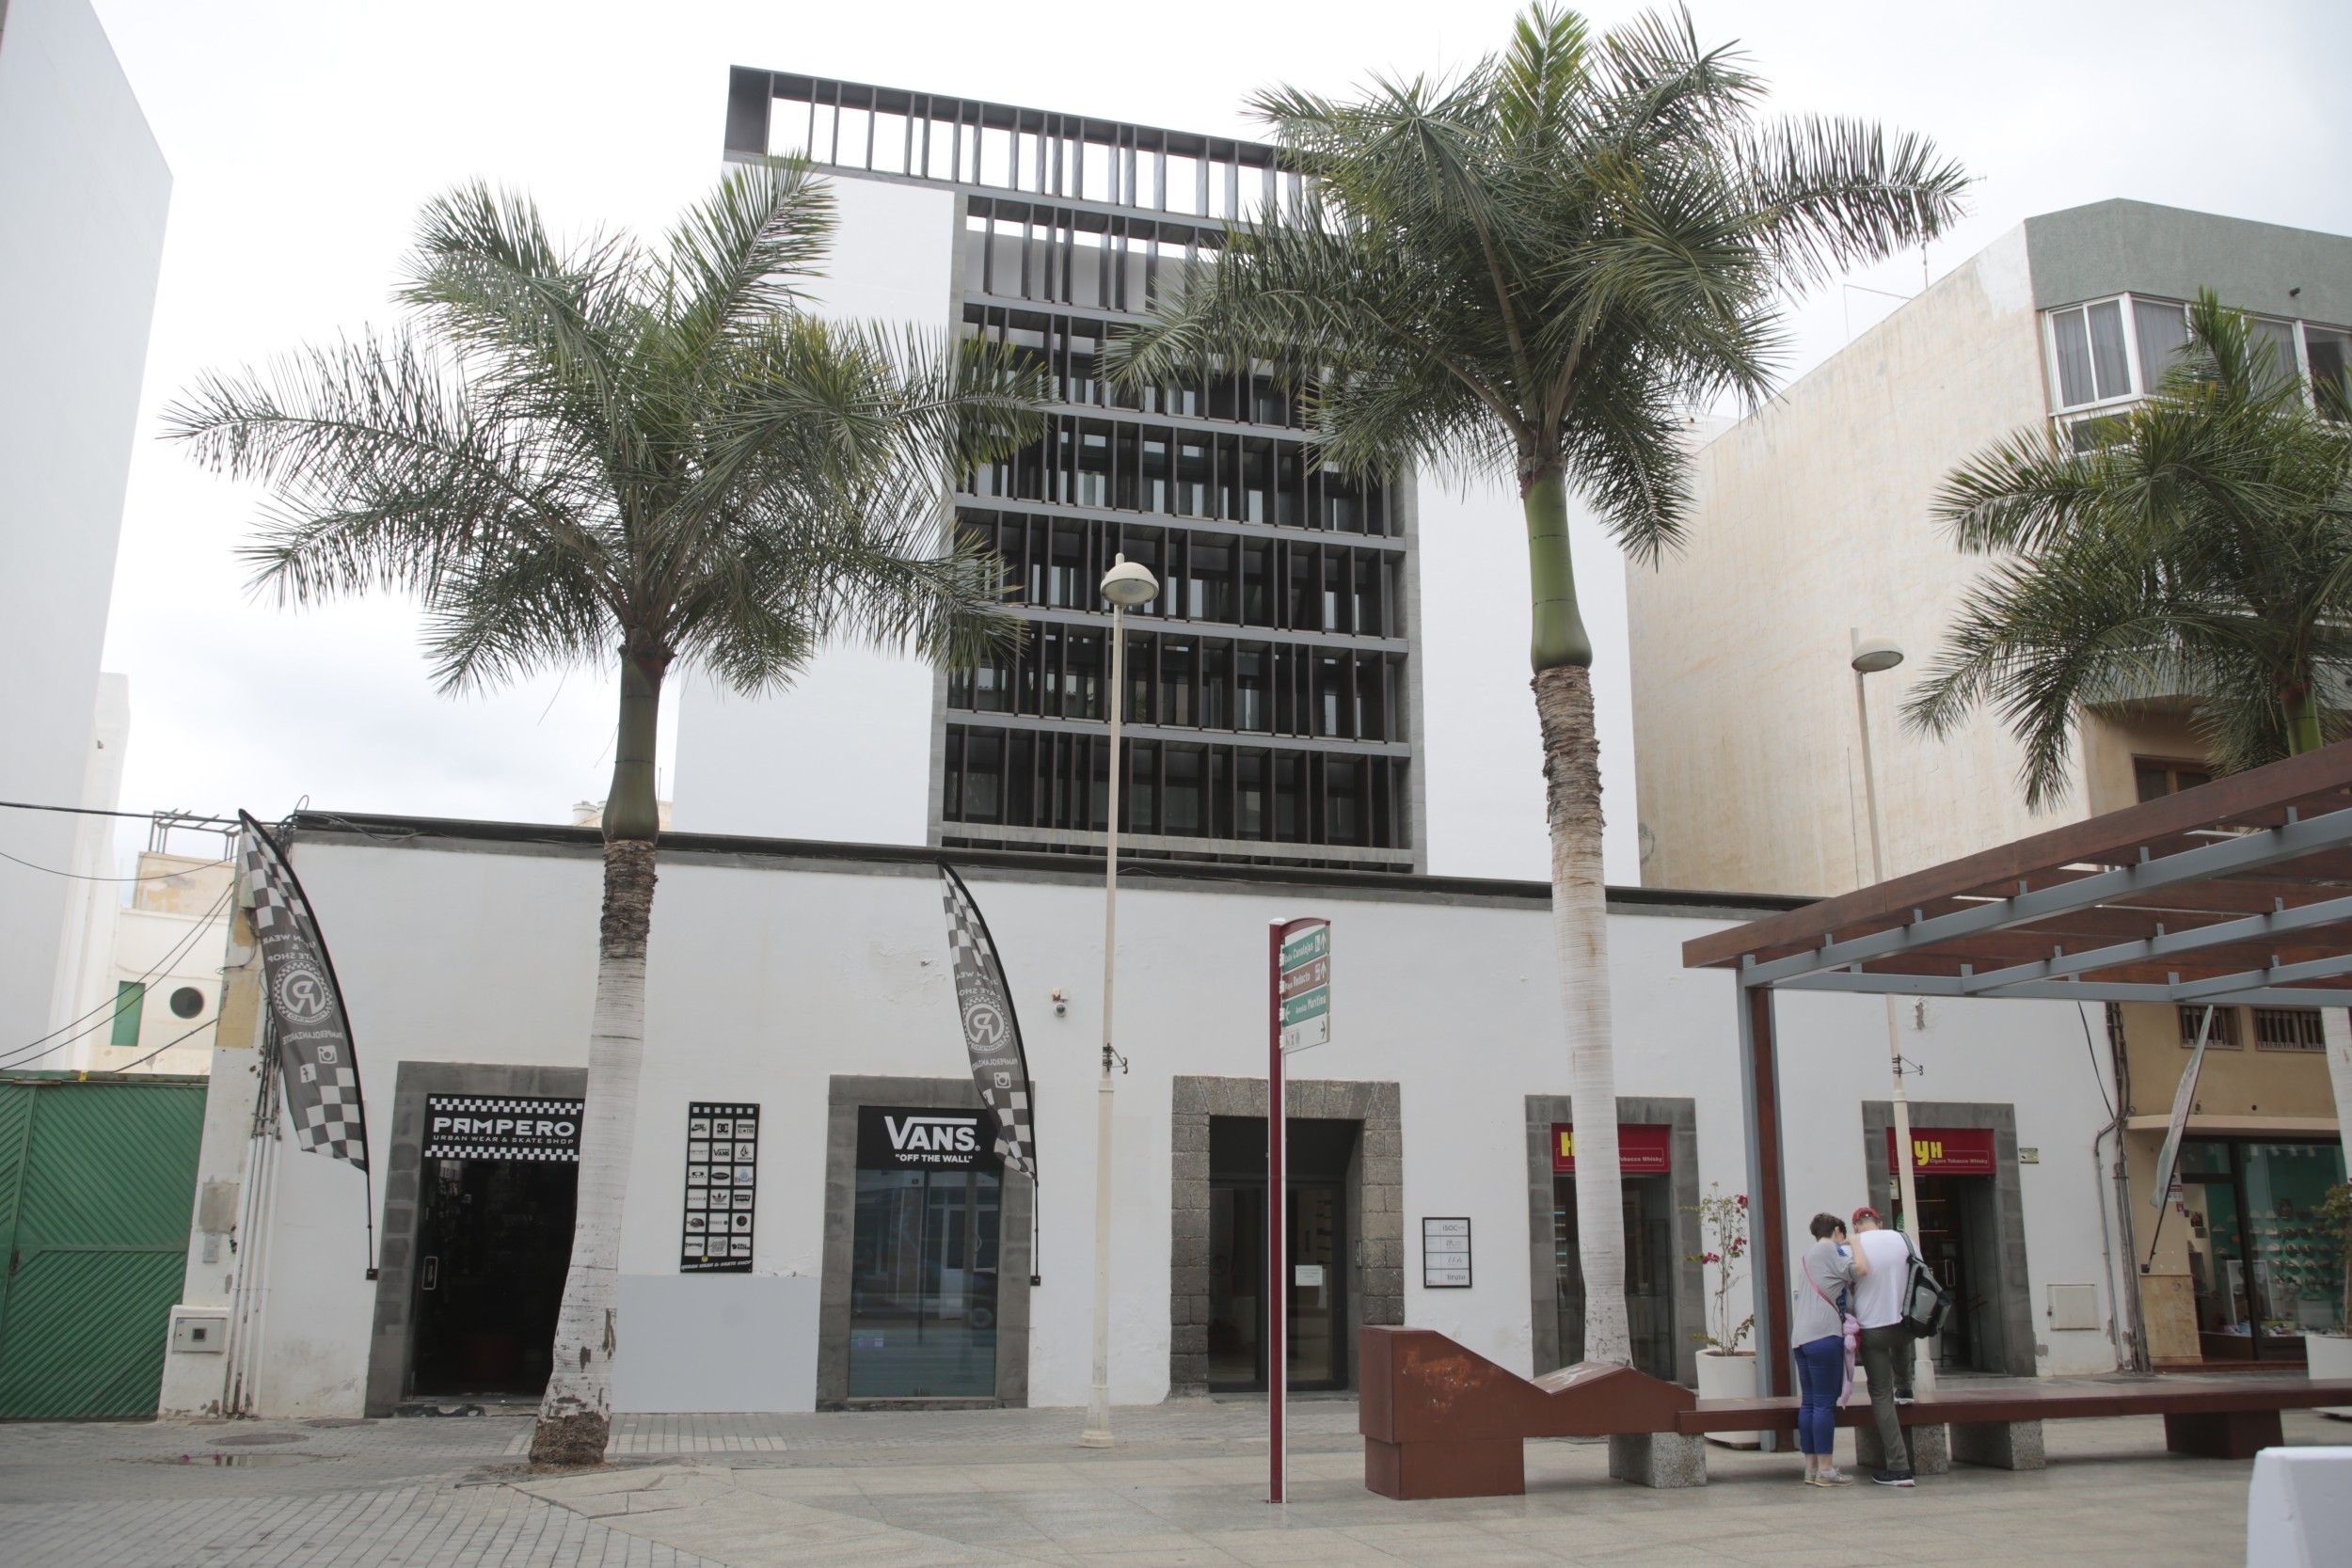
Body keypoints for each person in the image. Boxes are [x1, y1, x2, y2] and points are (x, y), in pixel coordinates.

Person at [1791, 1212, 1867, 1486]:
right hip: (1824, 1335)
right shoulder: (1830, 1250)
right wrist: (1856, 1243)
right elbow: (1861, 1269)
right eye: (1843, 1234)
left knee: (1809, 1402)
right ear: (1837, 1230)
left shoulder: (1808, 1255)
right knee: (1824, 1403)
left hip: (1801, 1337)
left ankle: (1811, 1468)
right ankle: (1826, 1469)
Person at [1850, 1206, 1916, 1487]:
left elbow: (1848, 1281)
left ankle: (1899, 1468)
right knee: (1902, 1339)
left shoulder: (1854, 1245)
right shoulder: (1904, 1239)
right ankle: (1906, 1386)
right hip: (1904, 1324)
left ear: (1856, 1227)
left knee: (1880, 1394)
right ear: (1879, 1222)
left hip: (1872, 1326)